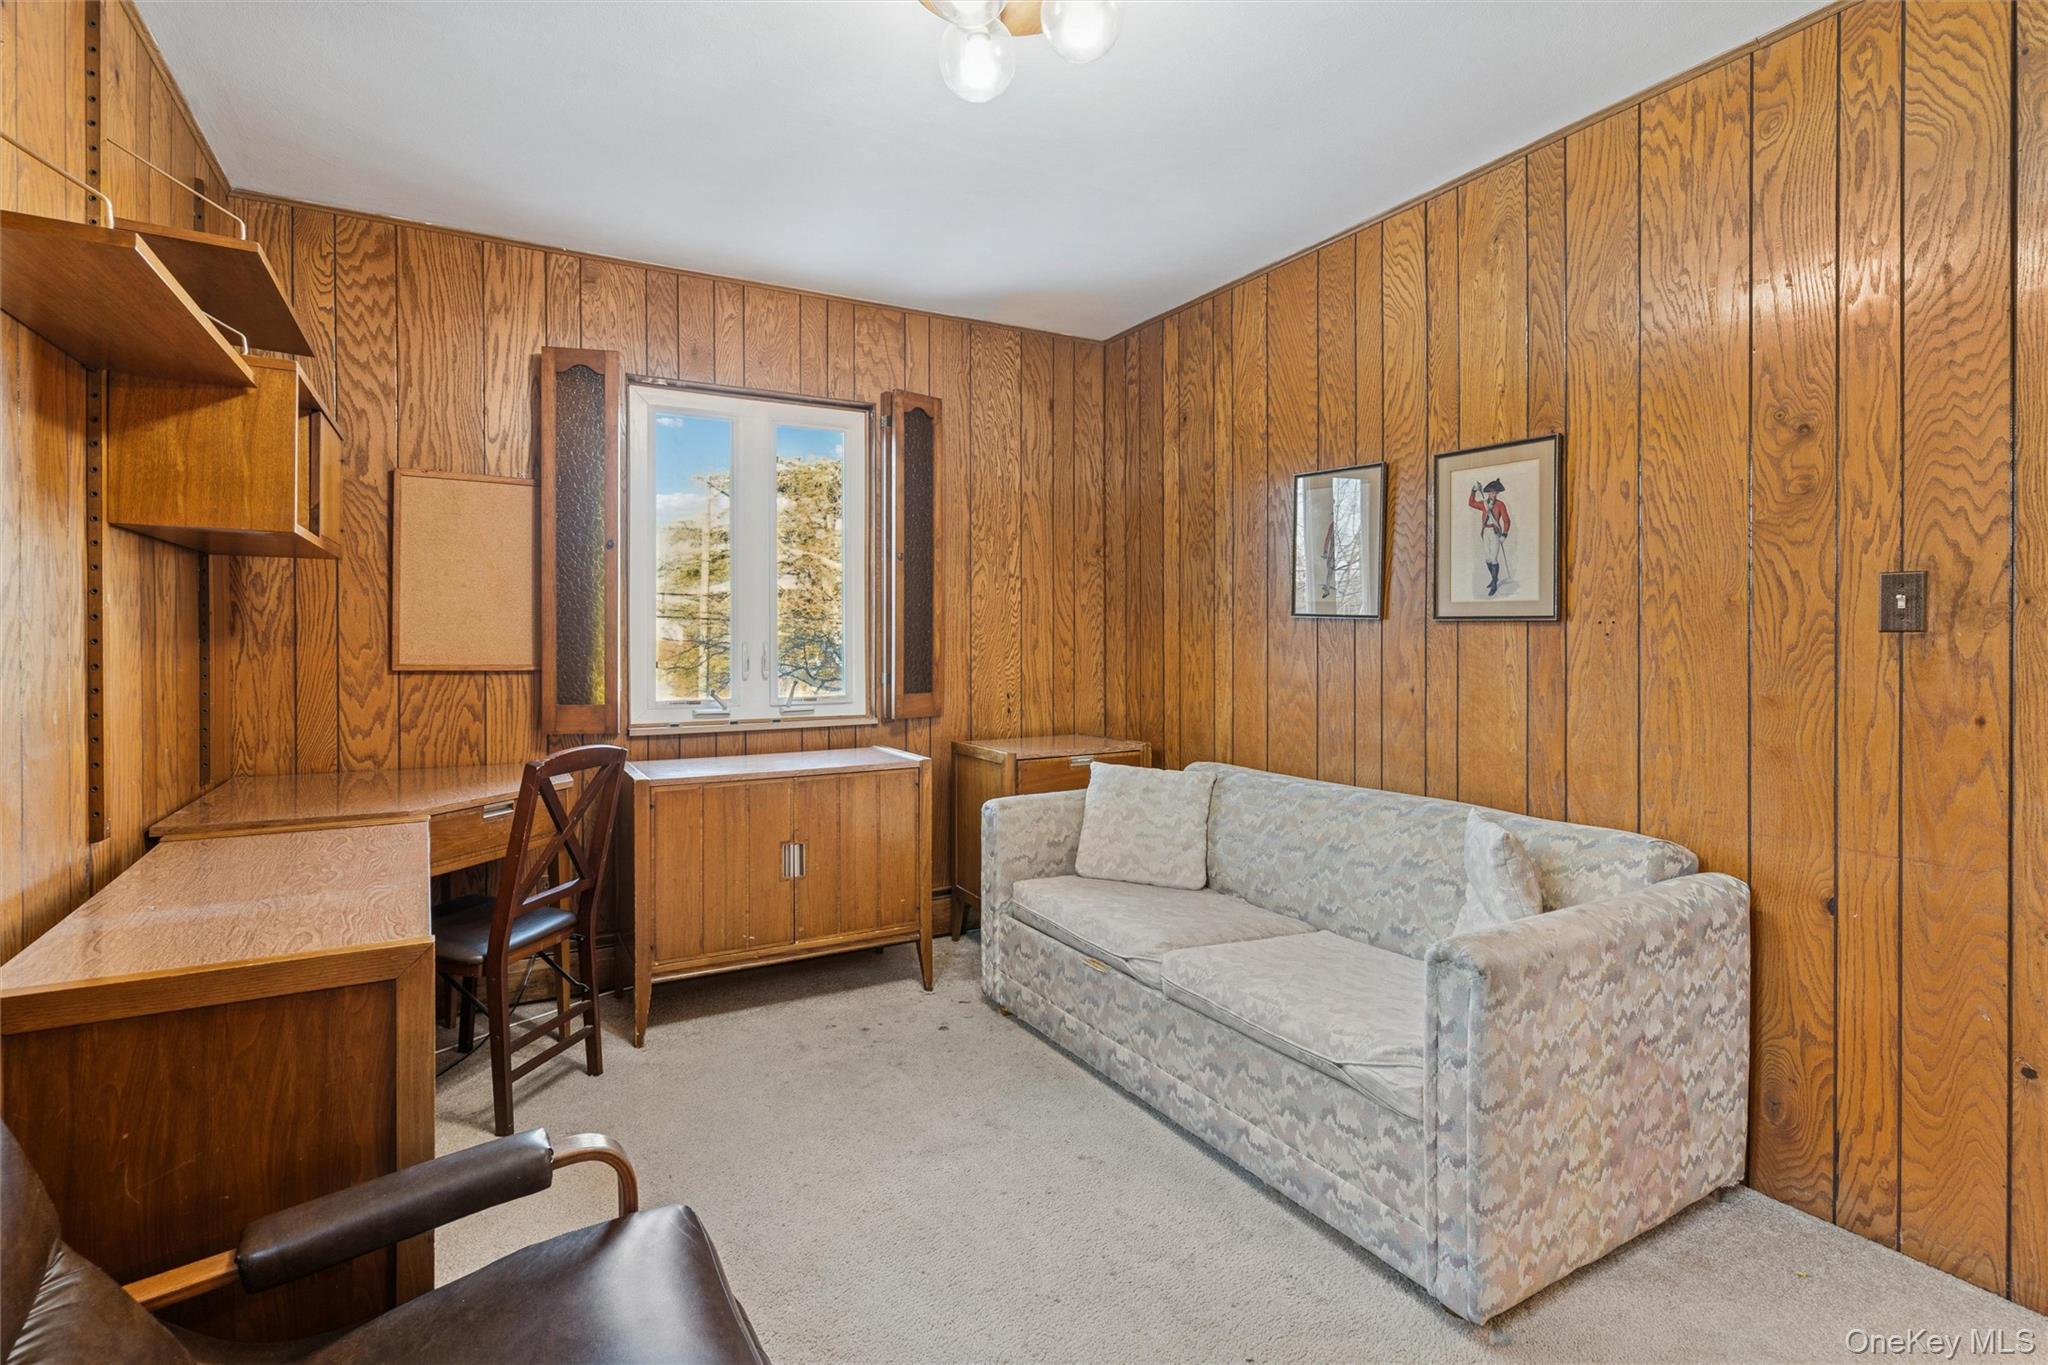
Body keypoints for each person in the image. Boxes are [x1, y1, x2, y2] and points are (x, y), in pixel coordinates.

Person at [1469, 477, 1510, 597]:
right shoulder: (1484, 504)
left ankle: (1494, 585)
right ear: (1488, 493)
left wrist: (1504, 534)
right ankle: (1494, 578)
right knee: (1487, 559)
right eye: (1492, 492)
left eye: (1496, 492)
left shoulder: (1500, 505)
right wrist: (1473, 490)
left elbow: (1506, 521)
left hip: (1495, 532)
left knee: (1494, 559)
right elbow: (1471, 503)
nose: (1494, 494)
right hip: (1485, 532)